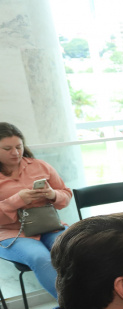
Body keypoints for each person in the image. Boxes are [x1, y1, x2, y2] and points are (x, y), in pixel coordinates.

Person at [0, 122, 73, 298]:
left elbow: (66, 195)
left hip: (49, 227)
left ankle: (98, 301)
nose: (16, 152)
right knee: (41, 259)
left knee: (78, 249)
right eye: (7, 148)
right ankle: (73, 308)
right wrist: (17, 200)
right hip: (11, 233)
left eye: (19, 146)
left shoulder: (40, 166)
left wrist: (52, 194)